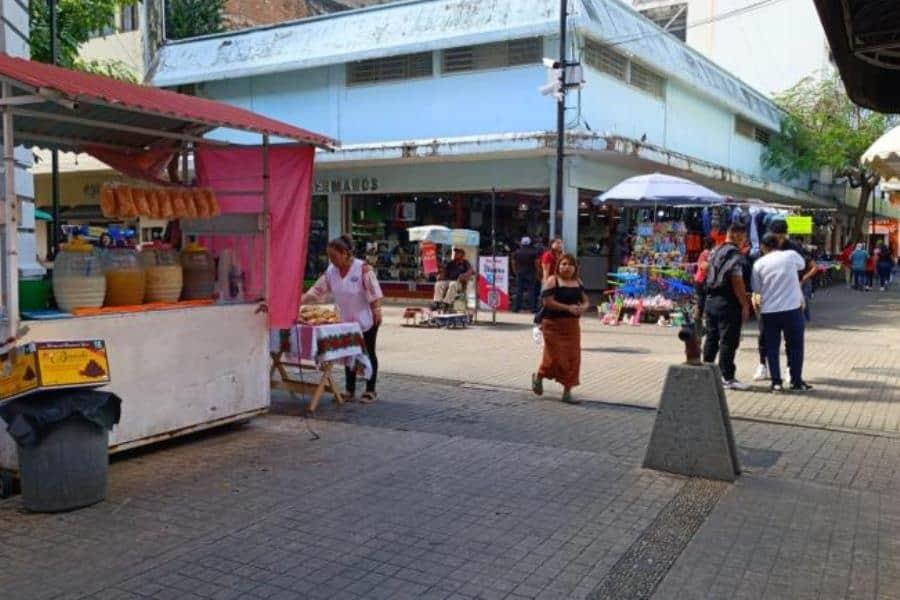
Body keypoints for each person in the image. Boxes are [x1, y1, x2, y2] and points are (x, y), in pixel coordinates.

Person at [301, 235, 384, 403]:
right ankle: (350, 390)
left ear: (345, 253)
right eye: (329, 256)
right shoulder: (331, 272)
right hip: (345, 320)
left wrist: (377, 310)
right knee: (349, 353)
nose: (331, 260)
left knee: (368, 352)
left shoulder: (363, 269)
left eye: (334, 256)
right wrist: (298, 300)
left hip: (365, 318)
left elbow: (374, 291)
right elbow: (316, 291)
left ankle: (370, 390)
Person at [753, 219, 818, 380]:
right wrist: (756, 294)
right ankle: (763, 365)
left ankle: (790, 368)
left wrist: (800, 282)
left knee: (792, 337)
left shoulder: (793, 248)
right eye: (776, 236)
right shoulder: (765, 246)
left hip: (791, 299)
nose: (778, 240)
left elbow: (810, 266)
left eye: (781, 237)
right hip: (769, 299)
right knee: (764, 334)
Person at [531, 254, 590, 405]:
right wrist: (567, 308)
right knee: (556, 357)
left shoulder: (578, 282)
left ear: (575, 267)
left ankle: (567, 392)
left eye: (570, 264)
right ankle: (540, 376)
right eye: (563, 264)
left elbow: (586, 301)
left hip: (571, 326)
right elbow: (548, 302)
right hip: (552, 324)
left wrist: (581, 308)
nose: (567, 267)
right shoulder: (553, 281)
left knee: (573, 358)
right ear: (558, 266)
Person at [702, 223, 752, 391]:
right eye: (744, 238)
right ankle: (727, 377)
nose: (744, 241)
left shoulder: (716, 251)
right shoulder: (735, 255)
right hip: (727, 302)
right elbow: (736, 279)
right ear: (737, 235)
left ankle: (706, 371)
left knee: (711, 337)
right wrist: (744, 304)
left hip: (711, 300)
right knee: (728, 340)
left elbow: (706, 270)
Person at [511, 237, 541, 313]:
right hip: (531, 272)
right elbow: (537, 263)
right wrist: (538, 272)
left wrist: (515, 271)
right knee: (531, 291)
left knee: (519, 291)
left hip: (520, 273)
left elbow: (513, 263)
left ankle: (516, 308)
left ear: (521, 243)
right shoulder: (534, 252)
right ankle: (533, 308)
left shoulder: (516, 252)